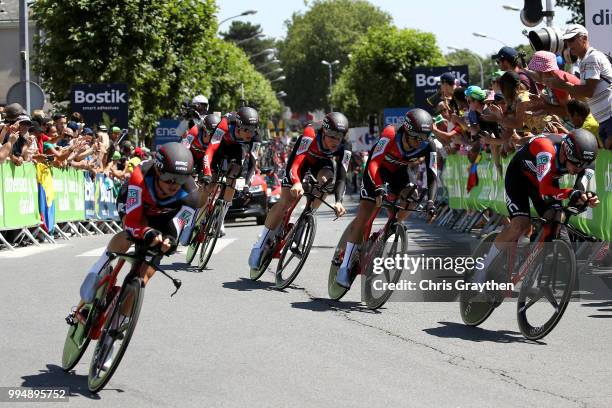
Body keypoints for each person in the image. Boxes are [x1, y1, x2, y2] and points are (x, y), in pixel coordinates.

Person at [476, 129, 600, 281]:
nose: (577, 170)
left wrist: (586, 198)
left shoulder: (586, 162)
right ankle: (482, 268)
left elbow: (579, 188)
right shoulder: (546, 150)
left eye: (583, 166)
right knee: (519, 225)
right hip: (519, 177)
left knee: (556, 219)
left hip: (543, 179)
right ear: (566, 153)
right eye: (576, 165)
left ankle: (535, 271)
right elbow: (545, 190)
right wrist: (570, 193)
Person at [335, 108, 439, 288]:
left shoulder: (427, 144)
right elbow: (374, 162)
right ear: (406, 131)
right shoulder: (390, 134)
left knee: (412, 198)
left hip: (398, 175)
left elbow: (432, 175)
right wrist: (378, 187)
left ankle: (387, 230)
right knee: (366, 213)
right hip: (376, 173)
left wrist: (431, 202)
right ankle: (344, 266)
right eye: (416, 138)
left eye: (424, 138)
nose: (419, 142)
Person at [247, 112, 352, 269]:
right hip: (301, 162)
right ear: (324, 131)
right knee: (285, 202)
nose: (335, 142)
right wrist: (296, 182)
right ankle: (261, 243)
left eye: (339, 138)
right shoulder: (310, 134)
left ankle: (304, 222)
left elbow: (342, 178)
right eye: (332, 137)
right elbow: (296, 165)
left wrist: (338, 202)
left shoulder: (345, 147)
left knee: (328, 180)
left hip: (321, 164)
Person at [196, 107, 261, 239]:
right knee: (210, 184)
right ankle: (199, 215)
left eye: (253, 129)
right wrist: (207, 173)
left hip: (236, 149)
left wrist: (247, 186)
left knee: (234, 174)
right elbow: (209, 152)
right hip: (220, 147)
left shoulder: (256, 137)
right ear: (237, 125)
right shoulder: (225, 124)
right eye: (246, 129)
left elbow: (253, 164)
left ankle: (220, 218)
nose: (250, 133)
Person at [544, 24, 612, 149]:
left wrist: (564, 86)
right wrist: (569, 88)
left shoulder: (591, 58)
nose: (569, 44)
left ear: (584, 38)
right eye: (566, 41)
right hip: (604, 118)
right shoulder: (585, 60)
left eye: (572, 40)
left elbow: (589, 92)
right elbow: (586, 96)